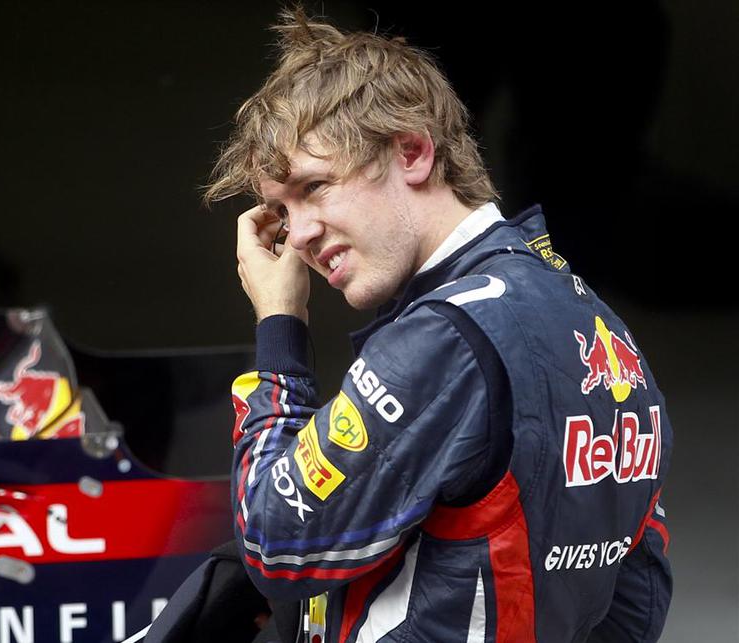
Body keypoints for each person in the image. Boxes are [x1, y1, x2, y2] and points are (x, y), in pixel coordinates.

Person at [204, 8, 672, 642]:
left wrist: (280, 331)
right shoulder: (595, 321)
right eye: (282, 212)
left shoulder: (444, 337)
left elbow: (274, 542)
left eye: (315, 187)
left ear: (413, 152)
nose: (300, 236)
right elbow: (637, 596)